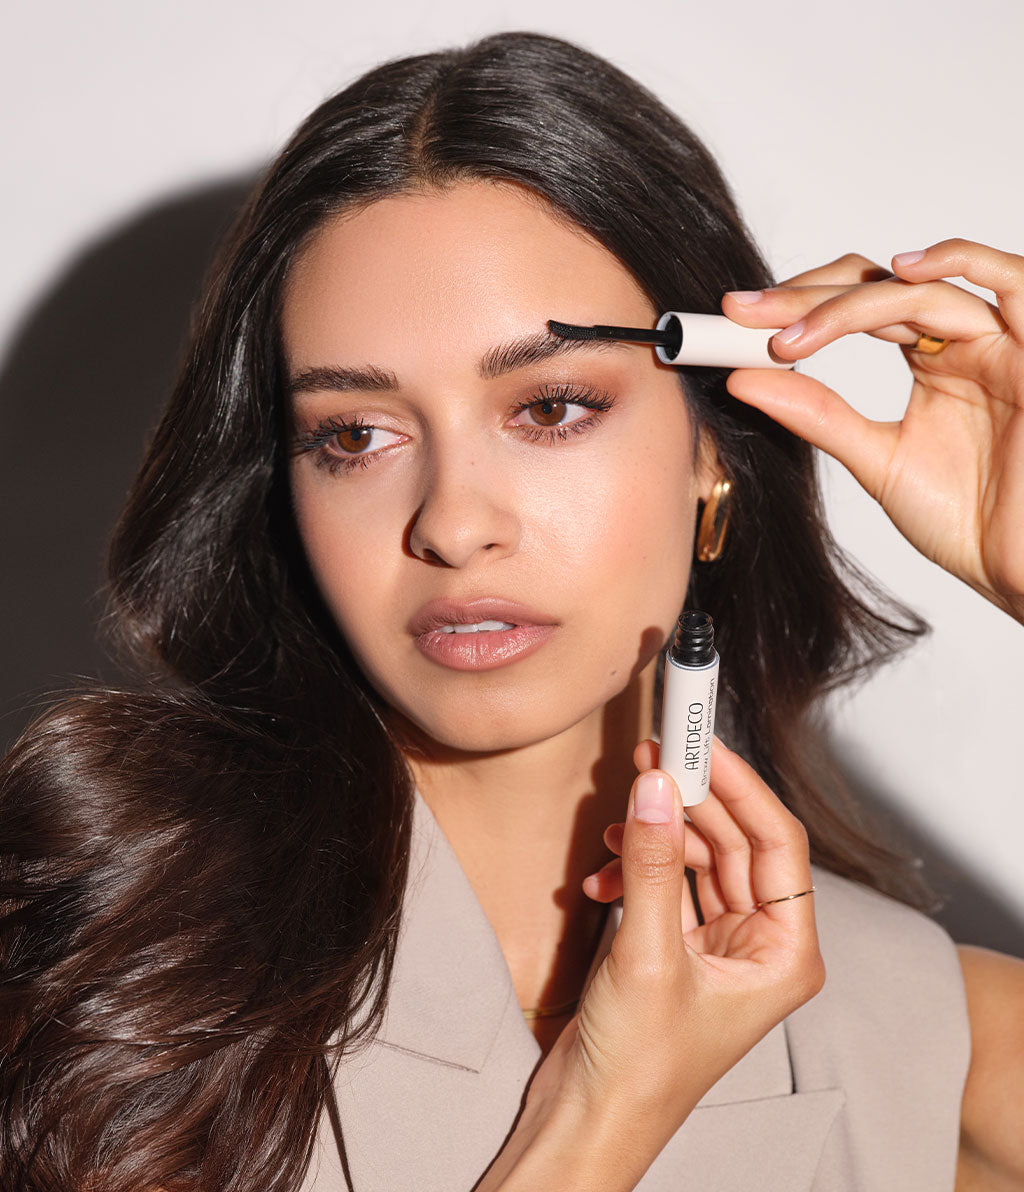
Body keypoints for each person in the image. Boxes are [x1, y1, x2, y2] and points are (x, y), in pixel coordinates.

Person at [1, 30, 1022, 1192]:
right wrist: (601, 1120)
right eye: (354, 434)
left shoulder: (911, 1033)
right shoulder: (89, 976)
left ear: (712, 453)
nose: (452, 521)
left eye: (548, 408)